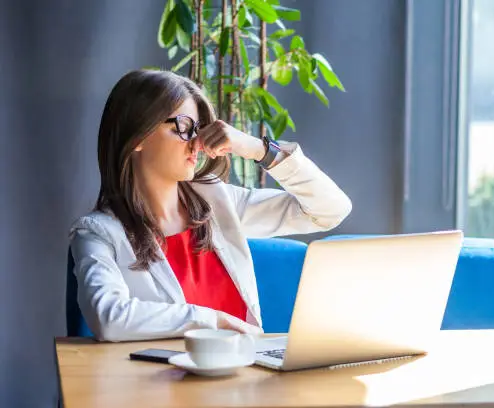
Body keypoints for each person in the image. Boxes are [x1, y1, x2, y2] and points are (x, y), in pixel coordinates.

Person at [69, 69, 352, 342]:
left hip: (249, 379)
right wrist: (212, 321)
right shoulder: (99, 232)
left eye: (198, 130)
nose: (196, 144)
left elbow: (330, 209)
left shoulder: (219, 203)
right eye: (184, 127)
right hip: (164, 387)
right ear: (139, 136)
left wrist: (259, 149)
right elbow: (108, 317)